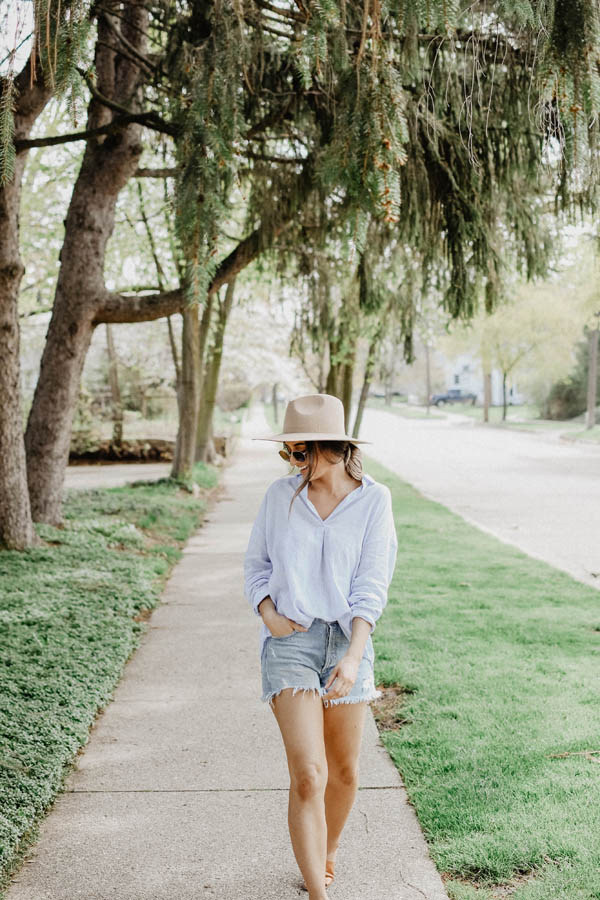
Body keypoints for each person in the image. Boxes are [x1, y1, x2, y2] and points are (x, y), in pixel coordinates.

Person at [243, 393, 398, 900]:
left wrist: (353, 657)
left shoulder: (375, 501)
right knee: (309, 773)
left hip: (347, 641)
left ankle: (327, 852)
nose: (293, 462)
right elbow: (256, 567)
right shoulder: (278, 497)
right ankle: (317, 893)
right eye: (289, 453)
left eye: (301, 452)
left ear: (332, 447)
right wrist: (270, 616)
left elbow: (371, 587)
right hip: (290, 642)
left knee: (345, 772)